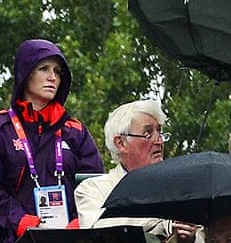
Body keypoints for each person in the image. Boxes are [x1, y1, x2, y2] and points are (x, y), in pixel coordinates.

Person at [0, 39, 104, 242]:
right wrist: (20, 221)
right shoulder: (3, 129)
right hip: (14, 237)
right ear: (26, 73)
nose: (52, 77)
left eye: (57, 71)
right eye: (43, 69)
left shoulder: (76, 131)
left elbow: (95, 186)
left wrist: (79, 222)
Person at [75, 100, 204, 242]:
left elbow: (208, 236)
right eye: (148, 133)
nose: (159, 141)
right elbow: (100, 234)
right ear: (121, 143)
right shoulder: (93, 189)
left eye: (159, 132)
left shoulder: (181, 189)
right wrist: (159, 224)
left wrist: (189, 238)